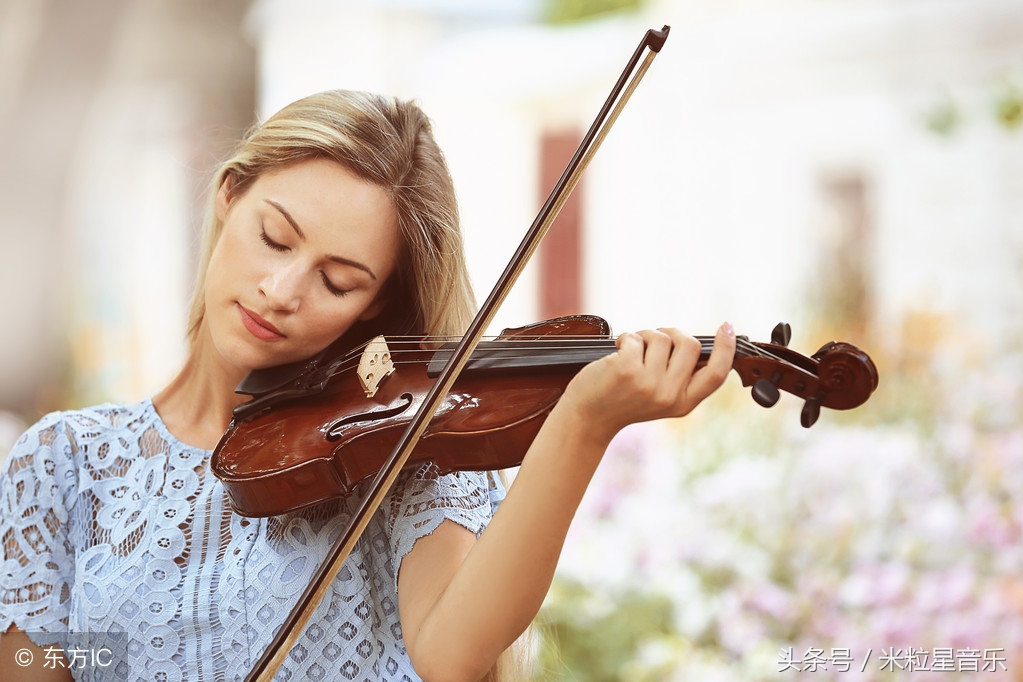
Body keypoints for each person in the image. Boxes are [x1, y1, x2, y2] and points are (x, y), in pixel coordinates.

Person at [0, 89, 736, 682]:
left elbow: (449, 653)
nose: (282, 290)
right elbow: (48, 666)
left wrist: (582, 422)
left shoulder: (397, 445)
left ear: (376, 303)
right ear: (229, 195)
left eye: (337, 280)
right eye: (275, 238)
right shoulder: (67, 464)